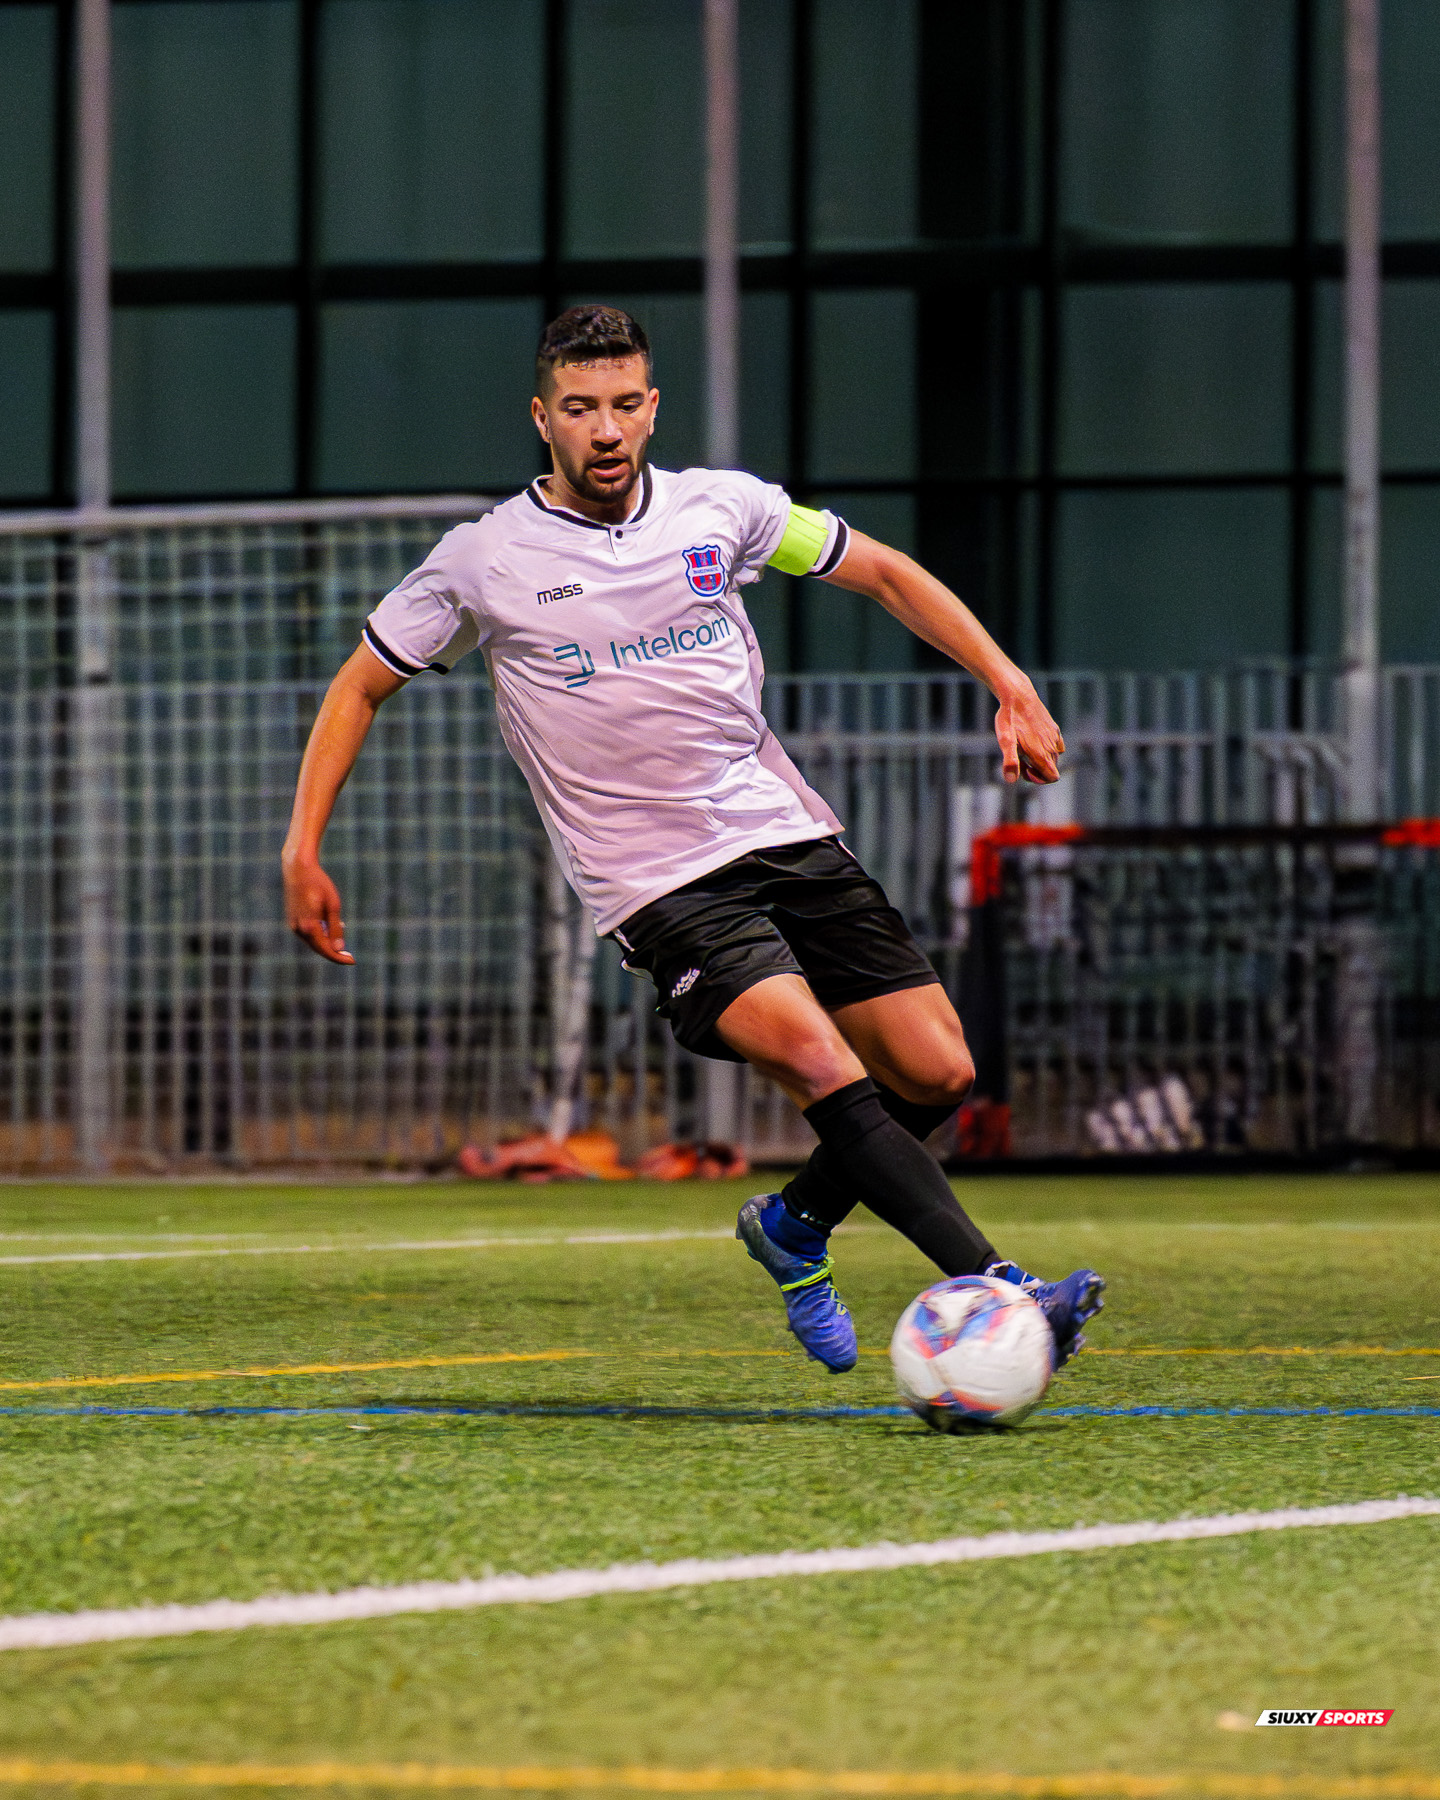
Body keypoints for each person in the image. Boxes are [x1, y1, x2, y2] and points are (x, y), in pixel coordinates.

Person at [282, 304, 1103, 1375]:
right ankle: (1000, 1290)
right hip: (656, 881)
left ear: (652, 405)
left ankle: (796, 1225)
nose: (607, 429)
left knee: (939, 1070)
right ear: (544, 418)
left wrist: (1008, 681)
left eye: (625, 405)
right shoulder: (484, 560)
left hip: (783, 833)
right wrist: (302, 849)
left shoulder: (726, 510)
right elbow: (358, 686)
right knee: (815, 1053)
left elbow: (889, 574)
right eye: (581, 410)